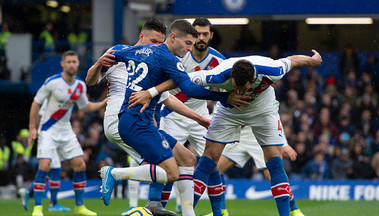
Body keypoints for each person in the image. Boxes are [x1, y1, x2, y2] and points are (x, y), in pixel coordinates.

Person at [130, 49, 322, 216]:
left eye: (243, 88)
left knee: (275, 163)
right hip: (228, 111)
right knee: (207, 160)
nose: (238, 91)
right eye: (235, 87)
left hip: (263, 111)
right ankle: (189, 211)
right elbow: (182, 80)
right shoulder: (218, 75)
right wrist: (151, 92)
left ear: (253, 79)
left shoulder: (273, 70)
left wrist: (312, 60)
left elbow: (294, 60)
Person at [98, 19, 250, 215]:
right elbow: (188, 88)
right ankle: (116, 175)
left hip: (135, 120)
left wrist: (102, 62)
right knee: (171, 173)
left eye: (192, 45)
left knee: (187, 159)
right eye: (187, 43)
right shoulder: (168, 59)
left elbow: (118, 55)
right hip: (137, 122)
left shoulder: (142, 50)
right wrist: (224, 97)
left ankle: (187, 213)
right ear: (173, 37)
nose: (189, 48)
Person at [157, 17, 225, 214]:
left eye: (205, 34)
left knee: (212, 164)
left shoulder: (219, 60)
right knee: (167, 164)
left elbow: (223, 93)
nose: (201, 38)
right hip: (171, 115)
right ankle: (159, 209)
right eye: (197, 34)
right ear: (191, 35)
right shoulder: (178, 53)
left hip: (201, 117)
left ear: (211, 35)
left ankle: (219, 212)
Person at [28, 50, 107, 216]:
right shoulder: (52, 82)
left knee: (80, 165)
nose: (71, 64)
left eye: (74, 61)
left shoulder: (80, 85)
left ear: (78, 64)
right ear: (62, 64)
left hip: (65, 130)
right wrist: (32, 128)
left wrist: (103, 102)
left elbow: (85, 107)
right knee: (44, 166)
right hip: (48, 129)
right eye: (68, 62)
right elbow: (36, 103)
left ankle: (80, 207)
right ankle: (37, 208)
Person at [201, 126, 305, 216]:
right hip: (238, 136)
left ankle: (294, 209)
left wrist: (284, 144)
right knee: (215, 169)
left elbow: (272, 114)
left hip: (256, 135)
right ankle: (222, 211)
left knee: (272, 175)